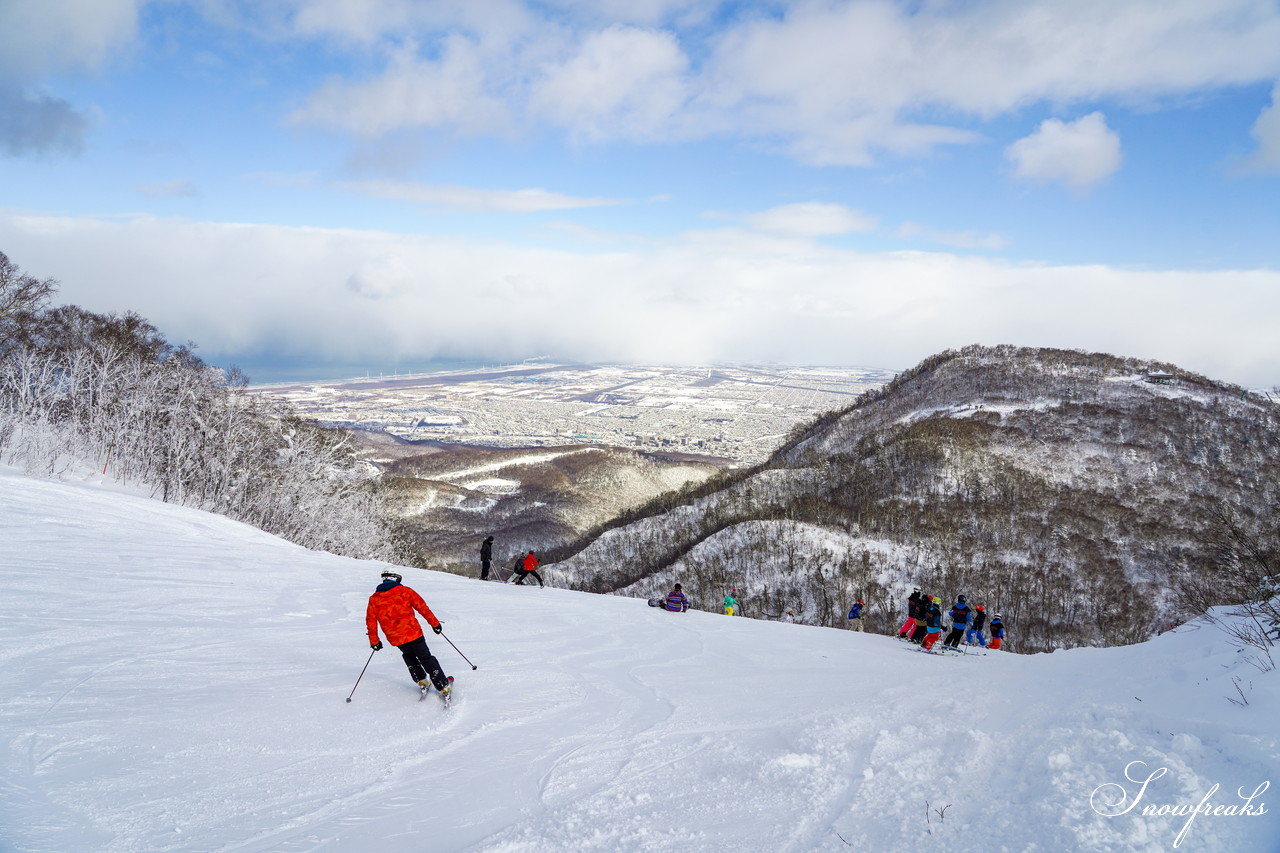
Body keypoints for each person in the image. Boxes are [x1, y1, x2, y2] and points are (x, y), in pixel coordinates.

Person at [366, 570, 452, 695]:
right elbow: (422, 607)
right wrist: (435, 624)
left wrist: (375, 642)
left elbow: (371, 621)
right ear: (395, 578)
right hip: (413, 633)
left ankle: (422, 680)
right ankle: (443, 686)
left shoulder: (374, 599)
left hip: (395, 637)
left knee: (409, 656)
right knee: (426, 658)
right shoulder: (405, 591)